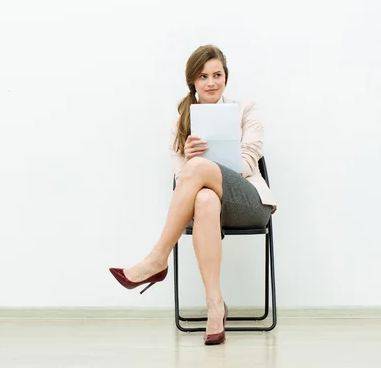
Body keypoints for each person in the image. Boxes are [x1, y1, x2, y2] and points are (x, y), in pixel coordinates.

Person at [109, 45, 277, 345]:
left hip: (248, 202)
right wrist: (189, 161)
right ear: (193, 82)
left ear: (226, 77)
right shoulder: (181, 122)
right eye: (203, 76)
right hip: (204, 208)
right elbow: (182, 182)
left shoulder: (246, 110)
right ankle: (215, 306)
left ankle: (157, 258)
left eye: (217, 75)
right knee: (203, 199)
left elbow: (250, 163)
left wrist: (200, 164)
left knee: (198, 170)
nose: (211, 82)